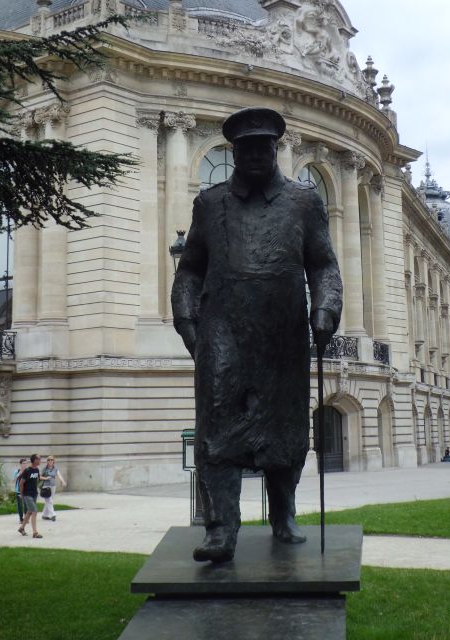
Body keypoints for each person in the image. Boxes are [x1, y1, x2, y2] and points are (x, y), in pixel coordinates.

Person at [172, 107, 342, 563]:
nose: (253, 155)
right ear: (235, 151)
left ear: (274, 149)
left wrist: (326, 310)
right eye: (244, 148)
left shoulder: (304, 201)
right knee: (216, 430)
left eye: (261, 147)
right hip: (222, 332)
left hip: (282, 333)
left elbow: (323, 265)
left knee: (285, 428)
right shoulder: (210, 204)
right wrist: (186, 320)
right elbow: (190, 269)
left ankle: (283, 514)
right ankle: (220, 529)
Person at [18, 453, 43, 539]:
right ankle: (35, 532)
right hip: (27, 494)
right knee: (34, 511)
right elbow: (21, 483)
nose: (40, 460)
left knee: (29, 512)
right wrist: (22, 494)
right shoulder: (27, 471)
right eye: (39, 459)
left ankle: (21, 528)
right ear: (35, 460)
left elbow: (37, 480)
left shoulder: (37, 470)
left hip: (34, 494)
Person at [40, 455, 66, 521]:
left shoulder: (55, 468)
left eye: (51, 460)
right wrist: (46, 478)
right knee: (49, 501)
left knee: (49, 501)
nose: (50, 461)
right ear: (47, 461)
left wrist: (63, 481)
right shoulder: (45, 468)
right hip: (46, 486)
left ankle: (44, 515)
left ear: (54, 461)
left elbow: (59, 475)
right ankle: (53, 515)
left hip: (53, 486)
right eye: (48, 460)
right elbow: (39, 477)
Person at [13, 458, 28, 524]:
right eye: (23, 463)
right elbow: (14, 480)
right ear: (20, 464)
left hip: (26, 490)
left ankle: (26, 518)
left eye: (26, 463)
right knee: (20, 505)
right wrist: (20, 473)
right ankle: (21, 519)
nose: (25, 465)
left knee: (26, 505)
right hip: (18, 491)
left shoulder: (28, 471)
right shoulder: (16, 471)